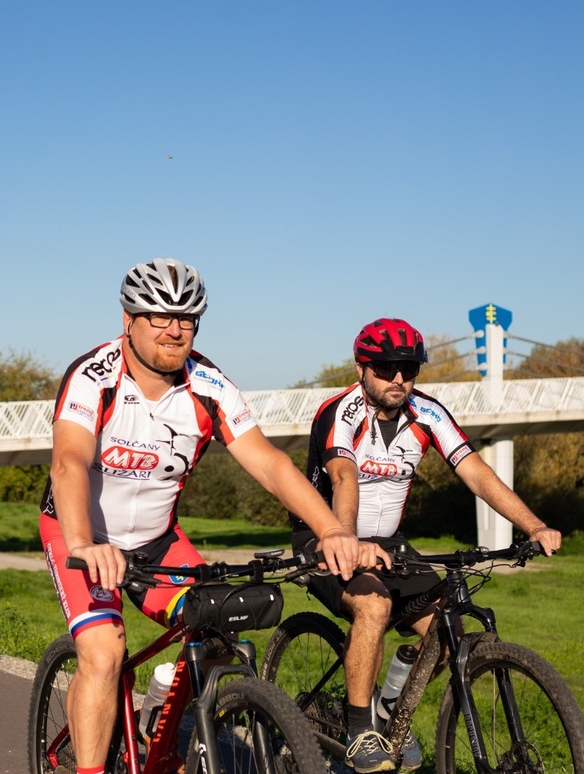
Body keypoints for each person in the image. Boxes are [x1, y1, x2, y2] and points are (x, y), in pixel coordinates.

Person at [39, 258, 362, 774]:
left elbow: (270, 463)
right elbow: (69, 460)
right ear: (128, 321)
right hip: (80, 533)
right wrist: (82, 543)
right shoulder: (93, 376)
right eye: (159, 316)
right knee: (103, 652)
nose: (174, 329)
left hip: (154, 541)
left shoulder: (209, 385)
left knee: (222, 628)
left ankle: (159, 725)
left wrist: (330, 529)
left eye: (187, 319)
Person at [296, 317, 562, 773]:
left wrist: (534, 525)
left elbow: (476, 472)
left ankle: (388, 711)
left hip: (390, 542)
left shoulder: (427, 413)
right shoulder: (339, 412)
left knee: (447, 633)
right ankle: (360, 731)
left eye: (409, 368)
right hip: (326, 534)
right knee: (374, 605)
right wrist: (344, 539)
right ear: (362, 367)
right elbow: (344, 475)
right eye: (386, 368)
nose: (399, 378)